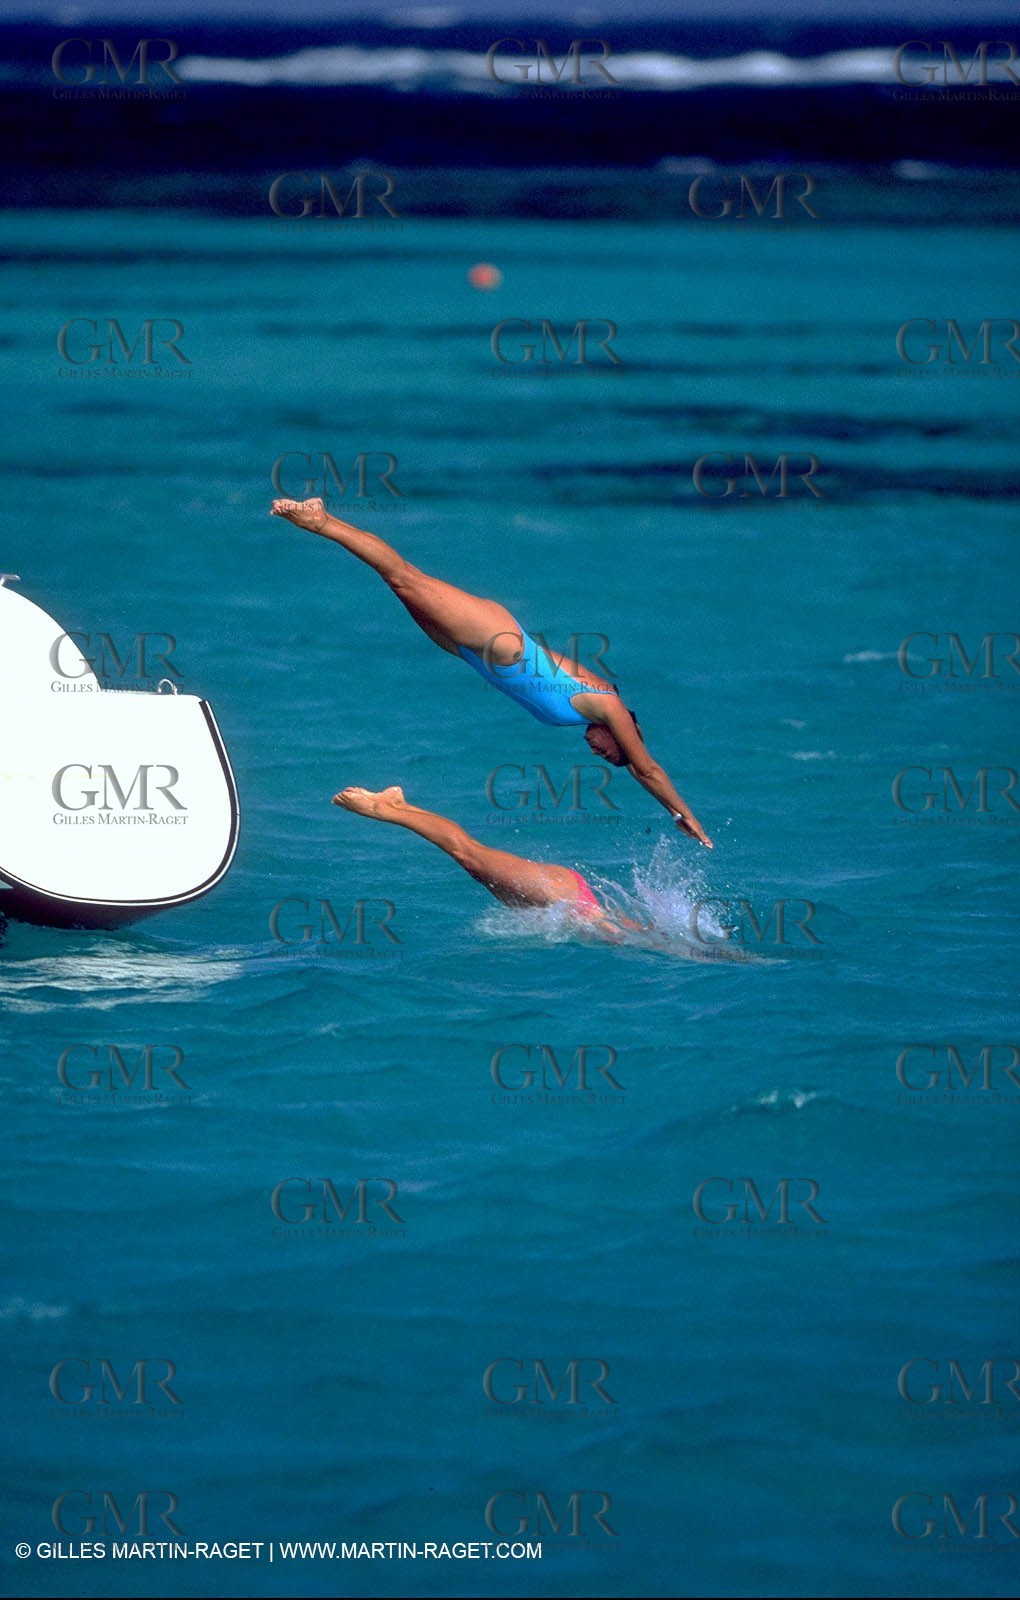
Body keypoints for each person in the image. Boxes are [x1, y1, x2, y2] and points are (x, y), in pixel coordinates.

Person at [272, 498, 712, 847]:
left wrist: (668, 811)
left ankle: (324, 522)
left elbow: (638, 771)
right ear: (621, 734)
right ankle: (322, 521)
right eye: (610, 754)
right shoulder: (607, 703)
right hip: (498, 638)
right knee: (405, 576)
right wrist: (686, 814)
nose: (600, 755)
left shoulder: (593, 713)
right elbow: (647, 767)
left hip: (473, 652)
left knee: (398, 583)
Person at [333, 785, 641, 931]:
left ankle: (400, 805)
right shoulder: (653, 943)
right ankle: (385, 811)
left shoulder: (648, 938)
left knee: (473, 864)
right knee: (470, 856)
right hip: (559, 893)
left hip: (559, 901)